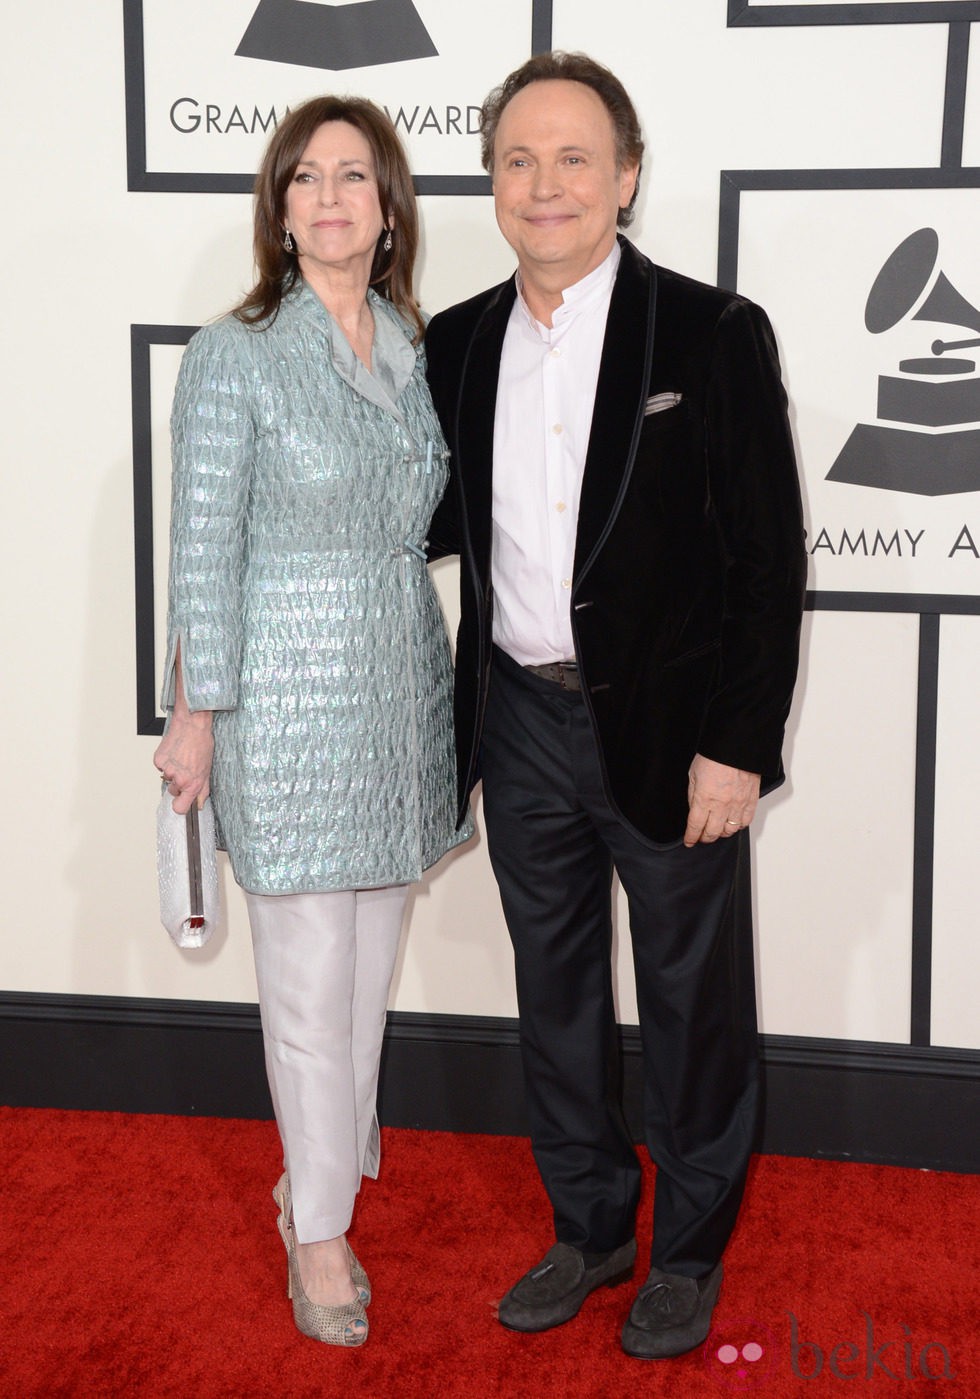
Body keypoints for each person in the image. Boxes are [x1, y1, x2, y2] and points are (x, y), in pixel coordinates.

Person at [425, 52, 806, 1360]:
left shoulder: (710, 332)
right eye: (519, 160)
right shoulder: (459, 340)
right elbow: (414, 516)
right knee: (559, 992)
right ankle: (588, 1225)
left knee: (696, 1003)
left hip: (673, 730)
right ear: (492, 182)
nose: (546, 185)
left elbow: (768, 560)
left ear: (626, 176)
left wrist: (737, 747)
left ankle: (688, 1248)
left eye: (574, 157)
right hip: (520, 721)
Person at [153, 95, 471, 1348]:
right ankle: (322, 1231)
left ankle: (316, 1174)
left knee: (364, 989)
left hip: (398, 691)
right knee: (304, 988)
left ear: (388, 205)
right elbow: (201, 551)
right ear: (278, 210)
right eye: (305, 179)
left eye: (354, 176)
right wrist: (197, 718)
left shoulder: (412, 341)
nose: (331, 198)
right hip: (282, 696)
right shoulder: (233, 351)